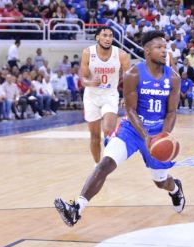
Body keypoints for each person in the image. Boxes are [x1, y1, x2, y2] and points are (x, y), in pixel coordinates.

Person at [54, 31, 185, 227]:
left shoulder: (173, 78)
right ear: (147, 51)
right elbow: (130, 110)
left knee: (160, 182)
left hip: (158, 131)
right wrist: (145, 136)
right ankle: (76, 210)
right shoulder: (133, 74)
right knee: (104, 164)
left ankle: (175, 188)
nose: (164, 51)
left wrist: (162, 135)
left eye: (165, 47)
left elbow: (171, 112)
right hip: (132, 130)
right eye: (159, 48)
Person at [79, 26, 131, 164]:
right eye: (105, 35)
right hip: (91, 96)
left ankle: (107, 164)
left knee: (108, 130)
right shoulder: (87, 53)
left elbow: (130, 78)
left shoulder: (121, 55)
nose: (108, 39)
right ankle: (97, 166)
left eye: (110, 36)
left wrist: (126, 96)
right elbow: (83, 79)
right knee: (95, 137)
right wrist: (90, 82)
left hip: (110, 95)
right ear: (97, 37)